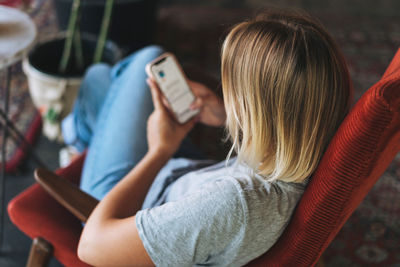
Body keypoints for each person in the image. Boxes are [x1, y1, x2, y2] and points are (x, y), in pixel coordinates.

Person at [63, 9, 352, 267]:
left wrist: (160, 151)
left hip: (128, 208)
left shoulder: (232, 204)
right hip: (186, 174)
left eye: (233, 90)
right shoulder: (317, 137)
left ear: (255, 109)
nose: (227, 94)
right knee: (105, 79)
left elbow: (92, 247)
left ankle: (75, 136)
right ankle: (81, 131)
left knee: (125, 67)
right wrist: (227, 116)